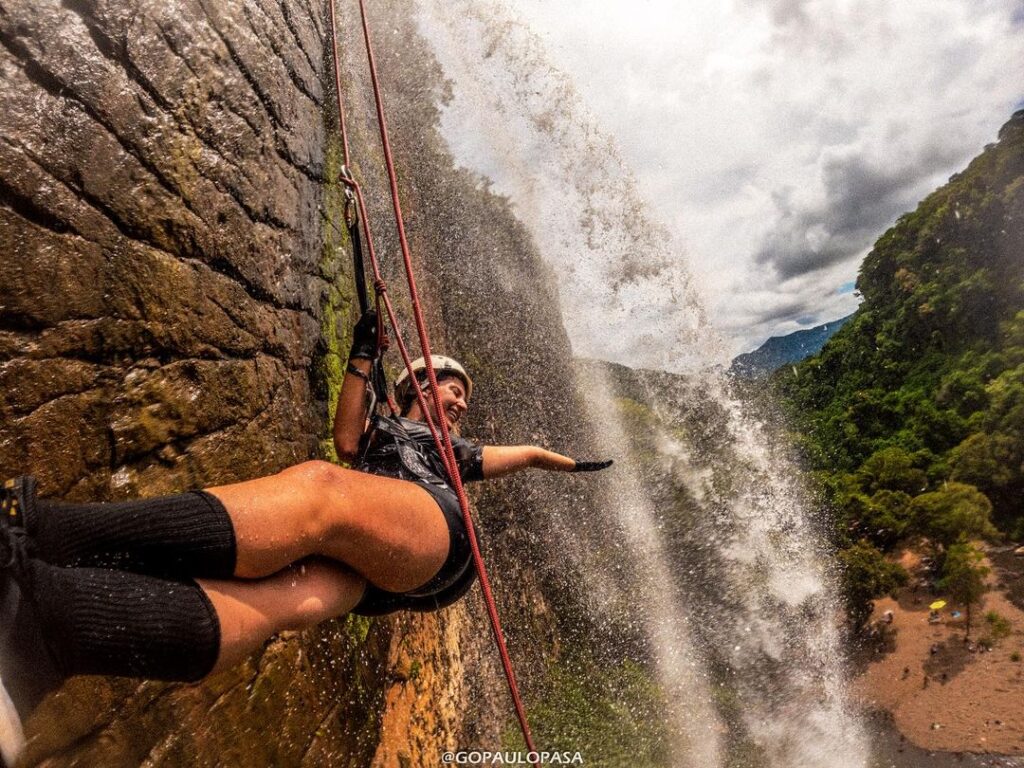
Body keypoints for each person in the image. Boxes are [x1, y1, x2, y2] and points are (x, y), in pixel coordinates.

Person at [0, 312, 611, 762]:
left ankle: (37, 529)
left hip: (435, 527)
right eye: (452, 390)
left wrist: (571, 464)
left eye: (463, 401)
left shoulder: (457, 451)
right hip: (382, 570)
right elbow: (348, 437)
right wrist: (364, 353)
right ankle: (43, 632)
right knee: (274, 602)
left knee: (321, 492)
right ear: (419, 384)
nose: (459, 404)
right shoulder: (381, 426)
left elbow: (526, 455)